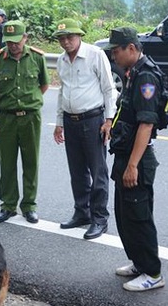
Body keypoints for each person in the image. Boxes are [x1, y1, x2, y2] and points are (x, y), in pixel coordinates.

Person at [105, 27, 165, 292]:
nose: (114, 56)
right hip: (125, 154)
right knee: (125, 214)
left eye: (116, 51)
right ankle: (139, 262)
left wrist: (132, 165)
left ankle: (152, 272)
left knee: (139, 217)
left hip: (136, 159)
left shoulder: (146, 77)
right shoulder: (133, 73)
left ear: (131, 48)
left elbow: (146, 125)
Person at [51, 18, 117, 240]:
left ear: (79, 36)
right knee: (77, 170)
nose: (66, 42)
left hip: (93, 119)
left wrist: (109, 120)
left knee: (98, 170)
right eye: (62, 38)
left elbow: (109, 89)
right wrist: (59, 122)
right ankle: (82, 212)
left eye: (70, 37)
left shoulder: (95, 55)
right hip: (71, 120)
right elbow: (62, 92)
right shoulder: (61, 60)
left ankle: (99, 218)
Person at [0, 20, 49, 224]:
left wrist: (30, 100)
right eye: (8, 42)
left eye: (16, 41)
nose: (12, 46)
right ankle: (8, 205)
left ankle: (29, 205)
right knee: (7, 163)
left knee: (31, 163)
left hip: (31, 117)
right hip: (8, 118)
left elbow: (44, 85)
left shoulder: (37, 58)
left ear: (25, 38)